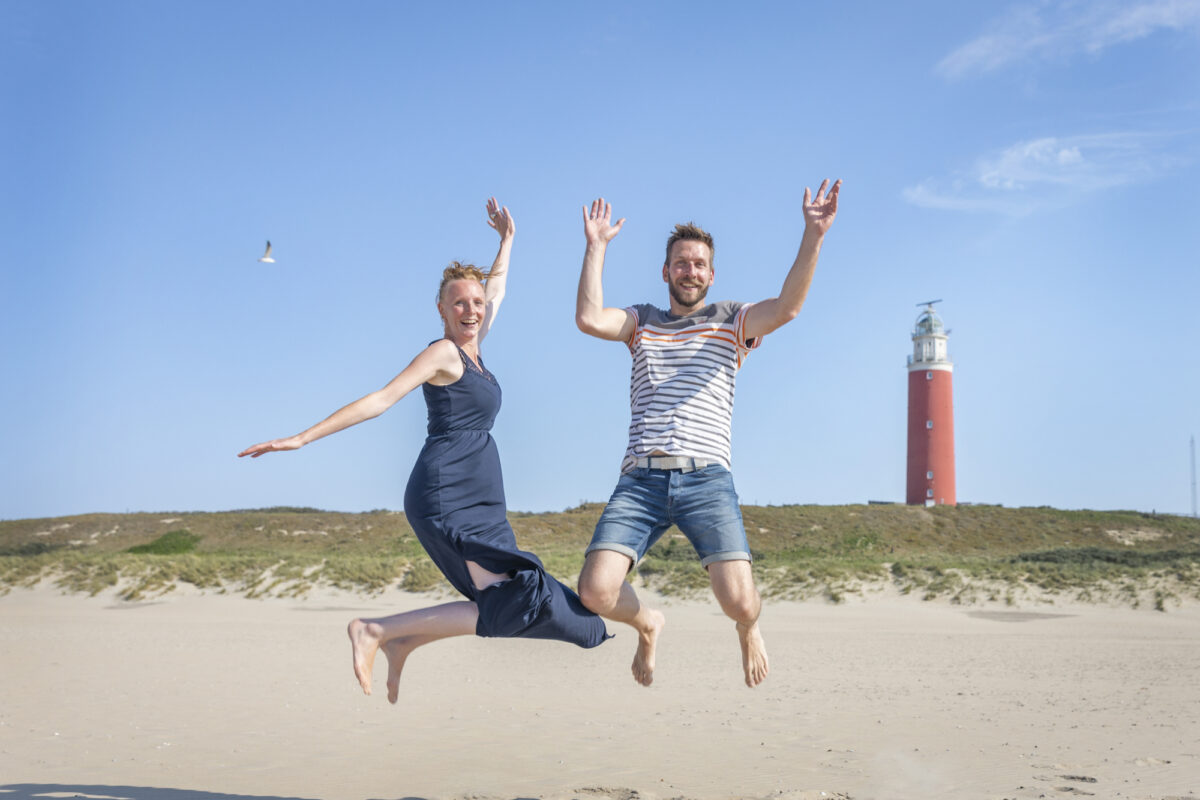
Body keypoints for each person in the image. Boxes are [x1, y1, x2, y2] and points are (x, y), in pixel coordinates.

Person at [239, 198, 608, 703]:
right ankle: (376, 631)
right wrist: (303, 437)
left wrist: (507, 241)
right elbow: (381, 399)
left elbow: (496, 288)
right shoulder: (443, 353)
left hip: (481, 496)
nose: (472, 310)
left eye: (476, 304)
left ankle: (401, 640)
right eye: (459, 303)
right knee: (513, 598)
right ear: (441, 309)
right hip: (446, 491)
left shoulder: (476, 347)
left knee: (520, 603)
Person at [574, 180, 841, 688]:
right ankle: (648, 623)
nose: (689, 270)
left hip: (707, 481)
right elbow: (588, 318)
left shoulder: (732, 321)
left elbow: (787, 307)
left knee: (739, 602)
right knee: (595, 592)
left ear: (711, 274)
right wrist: (596, 247)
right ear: (666, 271)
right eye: (681, 262)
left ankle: (749, 629)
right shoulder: (641, 322)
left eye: (698, 264)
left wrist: (814, 234)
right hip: (641, 482)